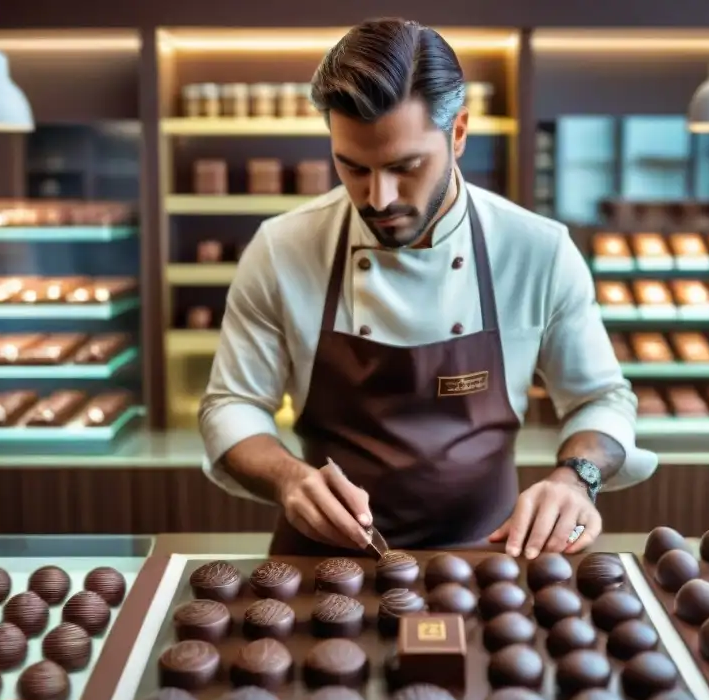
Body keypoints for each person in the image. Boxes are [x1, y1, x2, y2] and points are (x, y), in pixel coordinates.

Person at [199, 18, 656, 558]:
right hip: (322, 563)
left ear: (458, 132)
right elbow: (232, 404)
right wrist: (289, 480)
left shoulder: (538, 250)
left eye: (405, 166)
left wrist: (576, 478)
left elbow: (600, 398)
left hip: (490, 556)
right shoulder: (283, 247)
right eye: (352, 167)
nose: (378, 197)